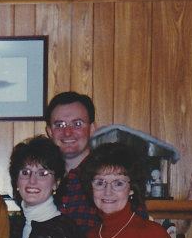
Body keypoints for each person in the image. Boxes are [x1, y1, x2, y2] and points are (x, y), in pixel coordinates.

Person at [45, 91, 146, 229]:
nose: (67, 132)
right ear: (49, 131)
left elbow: (139, 229)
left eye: (77, 124)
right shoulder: (40, 179)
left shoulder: (116, 177)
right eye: (60, 125)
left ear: (92, 129)